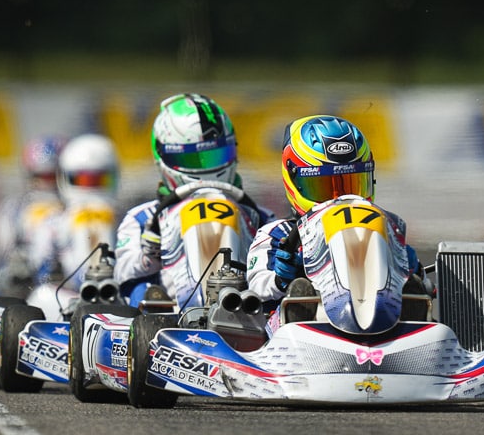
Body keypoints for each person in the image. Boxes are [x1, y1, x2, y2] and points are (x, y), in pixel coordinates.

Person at [245, 115, 427, 337]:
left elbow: (427, 287)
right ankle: (300, 308)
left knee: (413, 293)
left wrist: (408, 266)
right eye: (323, 187)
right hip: (307, 332)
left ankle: (408, 314)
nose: (339, 199)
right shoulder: (278, 233)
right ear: (294, 181)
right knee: (294, 300)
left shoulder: (383, 230)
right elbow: (255, 286)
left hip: (382, 322)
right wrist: (280, 279)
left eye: (350, 184)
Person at [113, 92, 274, 309]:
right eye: (191, 158)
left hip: (247, 307)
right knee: (137, 286)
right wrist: (148, 254)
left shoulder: (260, 217)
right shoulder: (143, 219)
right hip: (169, 315)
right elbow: (121, 270)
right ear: (163, 157)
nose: (205, 168)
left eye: (215, 156)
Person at [28, 133, 120, 292]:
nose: (90, 188)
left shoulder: (126, 219)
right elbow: (39, 264)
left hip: (117, 294)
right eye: (83, 180)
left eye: (98, 180)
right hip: (68, 297)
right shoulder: (54, 222)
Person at [0, 136, 65, 291]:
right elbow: (4, 252)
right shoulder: (14, 209)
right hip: (24, 286)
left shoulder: (73, 209)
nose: (47, 183)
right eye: (41, 176)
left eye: (52, 176)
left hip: (65, 282)